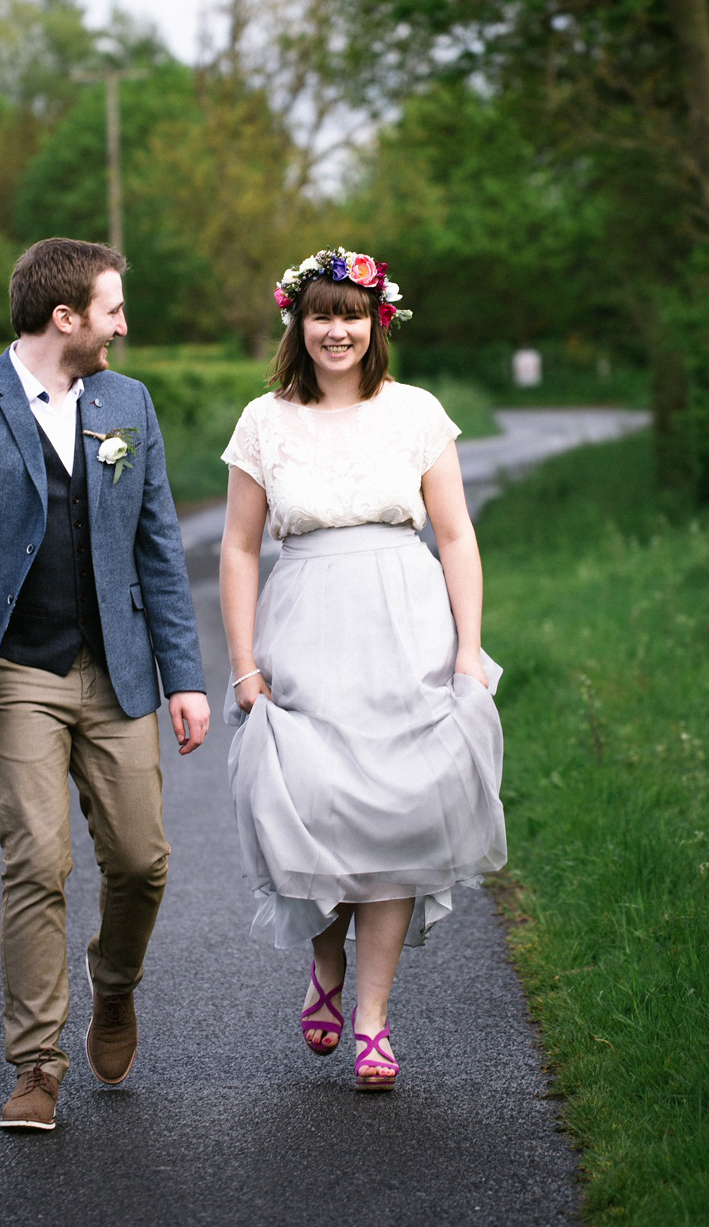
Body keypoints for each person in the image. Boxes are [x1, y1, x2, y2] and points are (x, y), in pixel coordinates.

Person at [0, 238, 210, 1130]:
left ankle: (115, 986)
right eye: (112, 309)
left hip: (116, 670)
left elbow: (159, 550)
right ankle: (37, 1065)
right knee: (37, 857)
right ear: (65, 318)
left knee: (141, 862)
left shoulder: (126, 403)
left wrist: (185, 676)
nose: (123, 325)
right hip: (15, 671)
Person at [219, 247, 506, 1090]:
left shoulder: (416, 412)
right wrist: (243, 667)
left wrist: (464, 648)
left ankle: (373, 1022)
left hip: (404, 626)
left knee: (397, 815)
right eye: (319, 314)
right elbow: (237, 548)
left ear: (375, 322)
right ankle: (325, 967)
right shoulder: (264, 421)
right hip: (304, 628)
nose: (334, 330)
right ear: (297, 324)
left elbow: (455, 536)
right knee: (314, 805)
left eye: (349, 315)